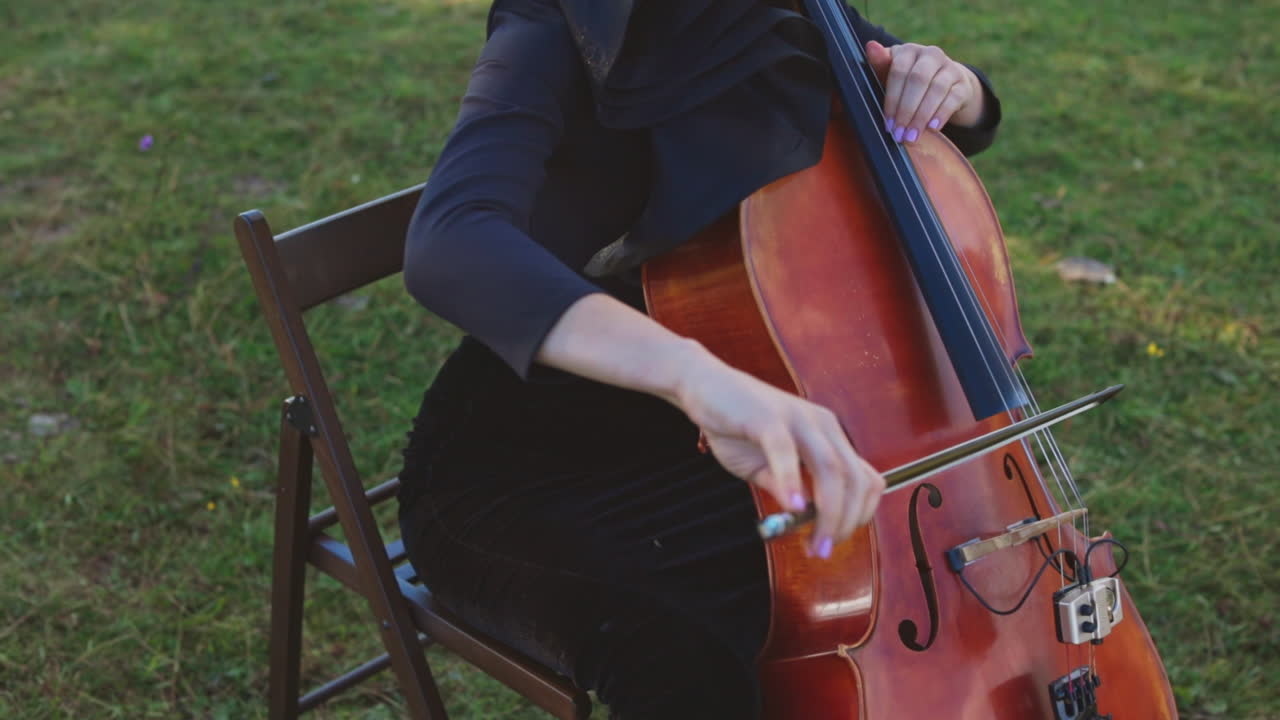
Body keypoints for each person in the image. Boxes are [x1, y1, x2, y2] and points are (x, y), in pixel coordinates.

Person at [398, 1, 1002, 717]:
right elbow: (450, 244)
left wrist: (957, 86)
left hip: (733, 444)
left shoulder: (789, 13)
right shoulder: (555, 26)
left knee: (864, 576)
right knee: (690, 662)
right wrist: (693, 374)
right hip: (529, 474)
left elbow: (959, 107)